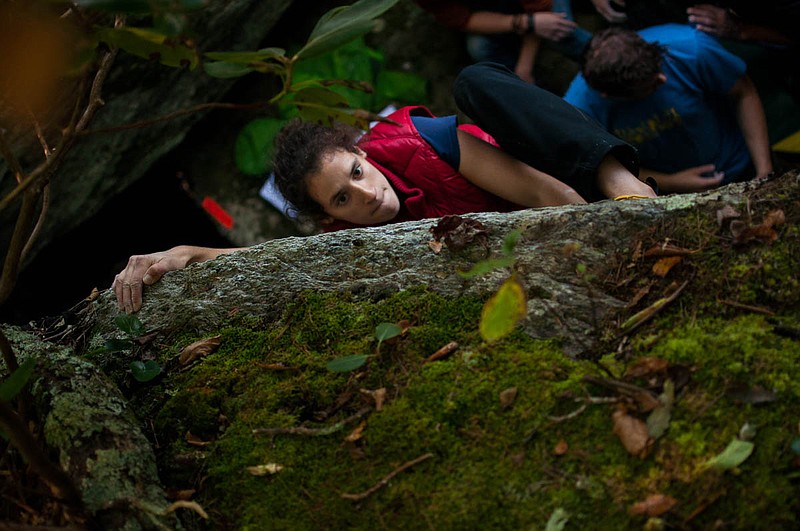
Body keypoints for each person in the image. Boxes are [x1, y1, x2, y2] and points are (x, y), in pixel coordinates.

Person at [113, 62, 656, 313]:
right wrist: (185, 253)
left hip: (570, 193)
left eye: (355, 173)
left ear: (363, 153)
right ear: (331, 216)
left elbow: (549, 198)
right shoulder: (345, 236)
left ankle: (625, 182)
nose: (365, 194)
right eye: (342, 199)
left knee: (475, 80)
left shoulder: (423, 139)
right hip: (517, 258)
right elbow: (271, 260)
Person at [563, 24, 773, 193]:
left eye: (659, 69)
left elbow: (743, 92)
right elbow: (606, 166)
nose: (663, 78)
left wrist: (764, 170)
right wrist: (670, 182)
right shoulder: (581, 110)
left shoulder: (690, 48)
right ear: (611, 96)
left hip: (740, 164)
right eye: (651, 86)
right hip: (666, 192)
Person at [415, 0, 591, 83]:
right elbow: (464, 19)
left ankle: (608, 63)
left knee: (562, 31)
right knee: (479, 47)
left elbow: (542, 11)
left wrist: (524, 66)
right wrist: (521, 22)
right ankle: (531, 90)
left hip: (540, 5)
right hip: (501, 11)